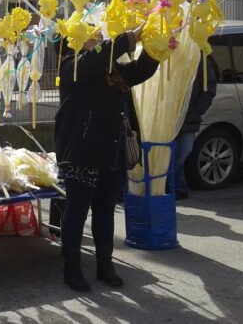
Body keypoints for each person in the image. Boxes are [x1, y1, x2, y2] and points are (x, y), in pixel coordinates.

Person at [54, 26, 159, 292]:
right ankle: (72, 268)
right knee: (77, 212)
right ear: (75, 41)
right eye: (93, 35)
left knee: (105, 211)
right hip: (81, 152)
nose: (99, 38)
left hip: (110, 151)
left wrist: (156, 51)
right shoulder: (72, 67)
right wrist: (127, 38)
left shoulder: (109, 70)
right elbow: (96, 58)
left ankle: (105, 264)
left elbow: (139, 72)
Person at [172, 57, 217, 199]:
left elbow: (209, 86)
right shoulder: (164, 50)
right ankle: (176, 186)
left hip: (188, 117)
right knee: (167, 154)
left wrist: (197, 111)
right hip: (166, 117)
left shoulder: (199, 56)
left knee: (184, 151)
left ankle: (176, 185)